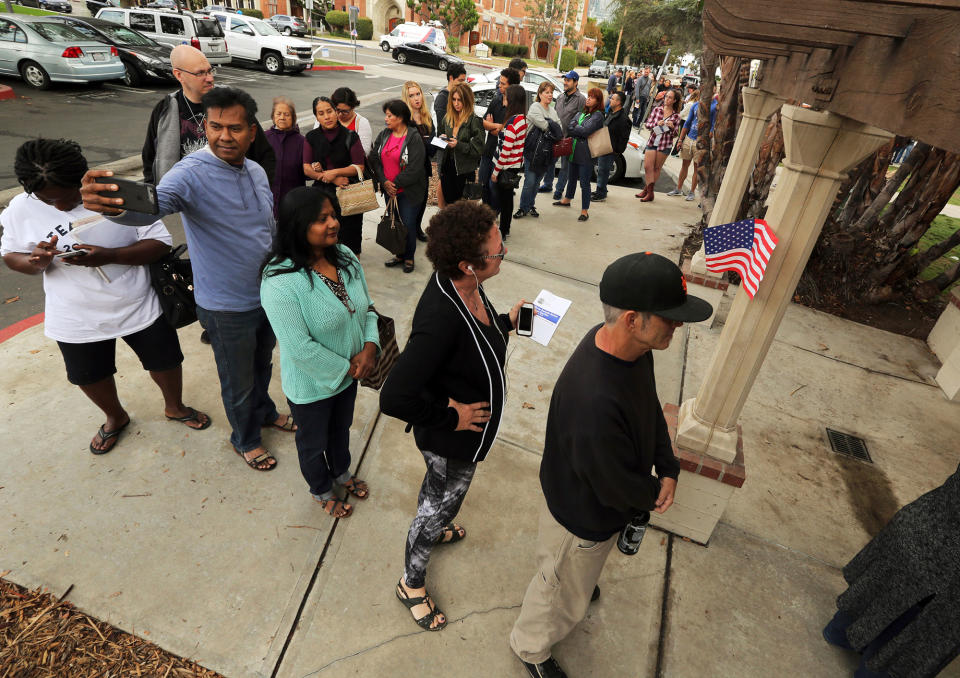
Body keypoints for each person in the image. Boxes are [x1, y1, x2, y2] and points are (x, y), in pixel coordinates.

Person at [510, 252, 713, 678]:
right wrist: (652, 495)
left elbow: (648, 410)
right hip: (581, 514)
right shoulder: (595, 400)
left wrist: (667, 465)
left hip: (598, 500)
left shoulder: (633, 350)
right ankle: (531, 648)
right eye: (669, 318)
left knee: (571, 576)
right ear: (632, 319)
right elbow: (612, 485)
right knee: (558, 589)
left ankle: (577, 583)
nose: (677, 326)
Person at [81, 87, 296, 473]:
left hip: (268, 293)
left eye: (234, 128)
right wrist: (112, 205)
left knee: (262, 364)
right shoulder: (190, 173)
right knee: (239, 380)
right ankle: (245, 440)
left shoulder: (257, 170)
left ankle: (263, 413)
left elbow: (266, 227)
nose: (223, 136)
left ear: (252, 132)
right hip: (227, 305)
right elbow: (152, 208)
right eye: (215, 126)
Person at [1, 139, 211, 454]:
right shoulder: (20, 207)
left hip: (138, 302)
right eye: (48, 201)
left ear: (82, 179)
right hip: (75, 315)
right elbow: (10, 255)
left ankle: (174, 406)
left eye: (66, 196)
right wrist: (35, 261)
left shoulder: (119, 193)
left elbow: (160, 242)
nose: (59, 206)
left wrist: (110, 255)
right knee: (88, 374)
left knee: (165, 360)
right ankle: (115, 416)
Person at [379, 200, 526, 632]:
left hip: (466, 440)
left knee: (441, 499)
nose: (504, 255)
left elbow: (474, 337)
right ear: (469, 264)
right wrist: (450, 415)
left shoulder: (466, 286)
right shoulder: (439, 319)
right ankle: (411, 583)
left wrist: (506, 323)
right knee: (435, 505)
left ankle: (438, 524)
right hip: (450, 443)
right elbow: (394, 397)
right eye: (498, 252)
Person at [260, 187, 379, 518]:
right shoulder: (279, 280)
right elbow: (298, 347)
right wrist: (348, 368)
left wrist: (370, 348)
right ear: (298, 225)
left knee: (341, 431)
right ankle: (321, 488)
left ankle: (341, 473)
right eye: (321, 219)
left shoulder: (344, 256)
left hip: (352, 374)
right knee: (313, 444)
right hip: (312, 386)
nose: (333, 224)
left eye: (333, 215)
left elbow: (366, 307)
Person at [823, 463, 960, 678]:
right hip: (940, 574)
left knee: (894, 592)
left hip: (922, 527)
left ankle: (845, 635)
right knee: (922, 627)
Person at [141, 45, 275, 187]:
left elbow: (265, 155)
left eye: (210, 71)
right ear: (179, 75)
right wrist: (154, 198)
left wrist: (257, 195)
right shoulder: (164, 109)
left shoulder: (233, 103)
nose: (210, 78)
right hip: (180, 203)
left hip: (230, 200)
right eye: (200, 73)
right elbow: (150, 160)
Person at [368, 99, 427, 274]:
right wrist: (384, 181)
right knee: (395, 223)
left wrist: (395, 184)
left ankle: (409, 257)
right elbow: (374, 158)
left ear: (400, 118)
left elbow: (416, 168)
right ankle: (399, 255)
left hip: (408, 192)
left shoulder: (414, 138)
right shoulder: (385, 134)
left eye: (389, 115)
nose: (386, 119)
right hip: (389, 190)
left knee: (407, 224)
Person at [303, 96, 366, 255]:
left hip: (349, 194)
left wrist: (336, 172)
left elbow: (359, 166)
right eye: (321, 113)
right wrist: (326, 176)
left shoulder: (351, 136)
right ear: (316, 117)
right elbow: (306, 168)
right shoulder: (311, 137)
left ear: (336, 112)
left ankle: (352, 274)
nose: (326, 116)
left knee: (350, 241)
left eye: (329, 111)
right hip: (322, 194)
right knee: (323, 238)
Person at [553, 87, 604, 222]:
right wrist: (577, 129)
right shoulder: (582, 113)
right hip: (574, 151)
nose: (588, 99)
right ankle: (567, 199)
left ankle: (584, 211)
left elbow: (586, 131)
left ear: (598, 101)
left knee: (584, 183)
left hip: (586, 155)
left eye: (592, 97)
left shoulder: (598, 115)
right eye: (588, 96)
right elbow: (570, 127)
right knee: (571, 178)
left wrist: (577, 128)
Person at [516, 81, 561, 219]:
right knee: (529, 181)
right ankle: (523, 207)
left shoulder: (552, 110)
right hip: (532, 151)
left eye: (551, 92)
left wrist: (551, 124)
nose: (550, 95)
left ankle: (530, 205)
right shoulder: (535, 107)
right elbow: (544, 125)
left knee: (536, 183)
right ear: (540, 94)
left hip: (546, 153)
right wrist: (551, 124)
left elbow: (559, 129)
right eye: (546, 92)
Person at [539, 71, 586, 199]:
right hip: (554, 136)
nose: (565, 82)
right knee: (549, 162)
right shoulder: (560, 97)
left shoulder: (581, 99)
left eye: (569, 80)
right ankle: (547, 184)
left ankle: (559, 190)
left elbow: (583, 118)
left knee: (565, 167)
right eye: (565, 80)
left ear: (575, 82)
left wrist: (574, 131)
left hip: (568, 138)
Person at [479, 68, 521, 211]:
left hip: (503, 156)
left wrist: (495, 128)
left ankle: (495, 214)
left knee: (495, 187)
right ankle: (485, 213)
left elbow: (504, 133)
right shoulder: (496, 101)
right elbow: (483, 123)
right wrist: (496, 126)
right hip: (488, 150)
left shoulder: (515, 109)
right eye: (499, 82)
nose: (499, 86)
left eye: (503, 84)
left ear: (512, 87)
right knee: (484, 183)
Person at [436, 82, 484, 204]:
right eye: (454, 99)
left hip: (464, 170)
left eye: (460, 100)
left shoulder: (474, 120)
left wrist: (459, 145)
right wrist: (442, 139)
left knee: (461, 209)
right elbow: (439, 138)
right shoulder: (447, 118)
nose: (456, 103)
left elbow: (479, 149)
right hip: (447, 167)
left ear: (467, 100)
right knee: (449, 203)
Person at [491, 84, 528, 239]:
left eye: (505, 96)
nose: (503, 98)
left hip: (505, 167)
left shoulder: (512, 123)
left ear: (511, 100)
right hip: (513, 167)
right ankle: (505, 229)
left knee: (503, 201)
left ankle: (503, 231)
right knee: (507, 201)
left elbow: (505, 151)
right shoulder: (522, 119)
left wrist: (495, 172)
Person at [402, 80, 436, 243]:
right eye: (412, 95)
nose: (416, 98)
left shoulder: (427, 118)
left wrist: (438, 142)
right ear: (406, 98)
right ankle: (408, 231)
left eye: (418, 94)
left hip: (423, 167)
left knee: (422, 200)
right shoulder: (404, 120)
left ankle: (416, 228)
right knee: (410, 203)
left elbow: (432, 148)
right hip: (408, 169)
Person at [433, 62, 468, 209]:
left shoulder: (458, 95)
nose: (463, 83)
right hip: (445, 145)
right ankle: (443, 210)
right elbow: (444, 125)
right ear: (451, 78)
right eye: (460, 80)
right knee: (443, 178)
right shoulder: (443, 98)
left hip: (456, 146)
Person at [667, 95, 717, 201]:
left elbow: (713, 126)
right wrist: (680, 139)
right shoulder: (695, 104)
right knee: (684, 165)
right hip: (689, 138)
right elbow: (688, 122)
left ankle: (692, 192)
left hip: (701, 141)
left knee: (696, 168)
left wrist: (707, 139)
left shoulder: (715, 106)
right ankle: (678, 189)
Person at [637, 88, 682, 202]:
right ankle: (649, 192)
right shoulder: (657, 110)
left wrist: (672, 127)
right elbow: (647, 125)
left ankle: (647, 191)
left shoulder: (676, 116)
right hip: (652, 141)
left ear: (674, 101)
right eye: (666, 96)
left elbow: (676, 134)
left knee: (656, 168)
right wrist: (656, 123)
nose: (667, 99)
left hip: (665, 144)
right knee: (648, 167)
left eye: (670, 97)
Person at [264, 96, 306, 217]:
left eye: (286, 114)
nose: (282, 117)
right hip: (266, 201)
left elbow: (307, 172)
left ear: (293, 118)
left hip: (293, 201)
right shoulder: (264, 138)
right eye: (279, 114)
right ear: (273, 116)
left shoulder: (302, 141)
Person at [591, 91, 632, 203]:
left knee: (604, 171)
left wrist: (616, 150)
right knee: (601, 170)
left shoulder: (623, 119)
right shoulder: (610, 112)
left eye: (613, 99)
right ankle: (601, 190)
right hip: (603, 145)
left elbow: (624, 138)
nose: (610, 100)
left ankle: (601, 194)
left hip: (610, 149)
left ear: (619, 102)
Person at [328, 87, 373, 156]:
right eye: (337, 110)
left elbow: (363, 152)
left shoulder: (361, 123)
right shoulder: (326, 118)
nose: (340, 114)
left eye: (345, 111)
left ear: (353, 107)